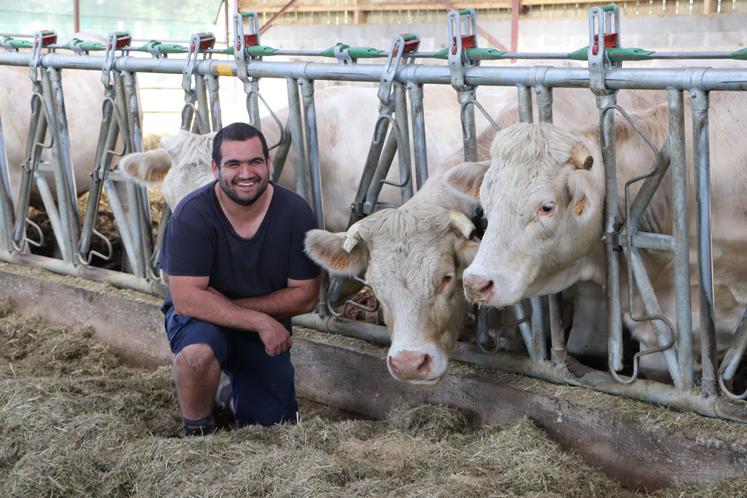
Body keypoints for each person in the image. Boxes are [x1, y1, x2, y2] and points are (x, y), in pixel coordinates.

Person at [160, 122, 321, 435]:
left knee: (274, 427)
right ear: (215, 168)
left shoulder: (295, 212)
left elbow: (306, 296)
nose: (246, 174)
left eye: (255, 162)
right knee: (196, 356)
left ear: (269, 163)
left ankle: (232, 396)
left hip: (256, 324)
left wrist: (226, 306)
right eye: (233, 164)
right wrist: (259, 320)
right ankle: (198, 429)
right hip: (202, 321)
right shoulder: (192, 213)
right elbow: (187, 298)